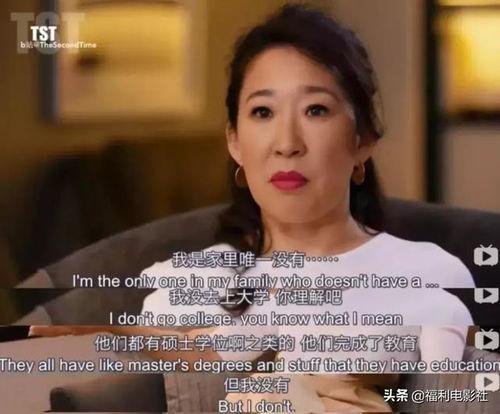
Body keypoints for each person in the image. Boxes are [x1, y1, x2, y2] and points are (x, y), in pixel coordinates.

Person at [30, 3, 475, 412]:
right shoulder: (198, 281)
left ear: (362, 142)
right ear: (235, 142)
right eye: (263, 112)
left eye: (316, 110)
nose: (287, 144)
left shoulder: (426, 272)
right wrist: (91, 333)